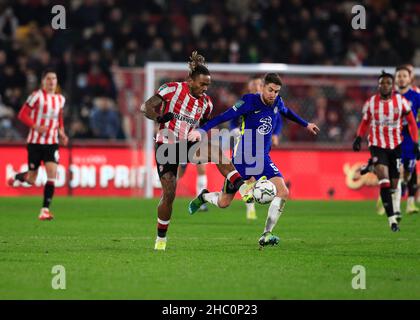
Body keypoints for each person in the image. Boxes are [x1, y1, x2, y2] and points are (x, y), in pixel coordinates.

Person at [187, 73, 319, 247]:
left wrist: (306, 124)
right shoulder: (249, 101)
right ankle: (204, 197)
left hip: (263, 158)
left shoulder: (277, 102)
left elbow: (288, 113)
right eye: (270, 90)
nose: (273, 94)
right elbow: (224, 117)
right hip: (242, 158)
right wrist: (202, 130)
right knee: (224, 202)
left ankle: (267, 233)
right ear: (263, 87)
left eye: (276, 91)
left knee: (283, 191)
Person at [139, 51, 253, 251]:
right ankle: (161, 238)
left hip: (188, 144)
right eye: (202, 84)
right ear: (190, 80)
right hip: (166, 146)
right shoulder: (171, 90)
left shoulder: (206, 103)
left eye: (208, 84)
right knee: (169, 194)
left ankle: (243, 188)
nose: (205, 88)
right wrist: (158, 118)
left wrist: (202, 135)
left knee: (215, 151)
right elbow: (146, 107)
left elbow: (205, 125)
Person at [353, 71, 419, 232]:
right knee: (384, 181)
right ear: (379, 85)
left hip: (396, 146)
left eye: (388, 83)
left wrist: (416, 142)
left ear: (392, 85)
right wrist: (358, 138)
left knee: (395, 184)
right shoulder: (371, 103)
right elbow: (365, 122)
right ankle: (392, 220)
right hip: (377, 145)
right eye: (382, 83)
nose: (385, 86)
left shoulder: (401, 102)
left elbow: (411, 122)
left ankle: (371, 166)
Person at [7, 69, 68, 220]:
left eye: (54, 78)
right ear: (43, 81)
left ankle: (45, 210)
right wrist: (36, 127)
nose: (52, 81)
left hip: (52, 142)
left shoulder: (60, 99)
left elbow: (59, 116)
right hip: (35, 142)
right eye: (48, 78)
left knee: (52, 175)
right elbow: (22, 114)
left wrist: (62, 132)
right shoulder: (36, 97)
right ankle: (16, 177)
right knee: (32, 179)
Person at [229, 75, 283, 220]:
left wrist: (276, 134)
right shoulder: (246, 102)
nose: (255, 88)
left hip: (262, 145)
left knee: (251, 178)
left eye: (258, 85)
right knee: (249, 177)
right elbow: (232, 120)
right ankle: (250, 208)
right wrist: (234, 130)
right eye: (253, 86)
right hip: (245, 142)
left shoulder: (272, 104)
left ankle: (250, 203)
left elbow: (278, 120)